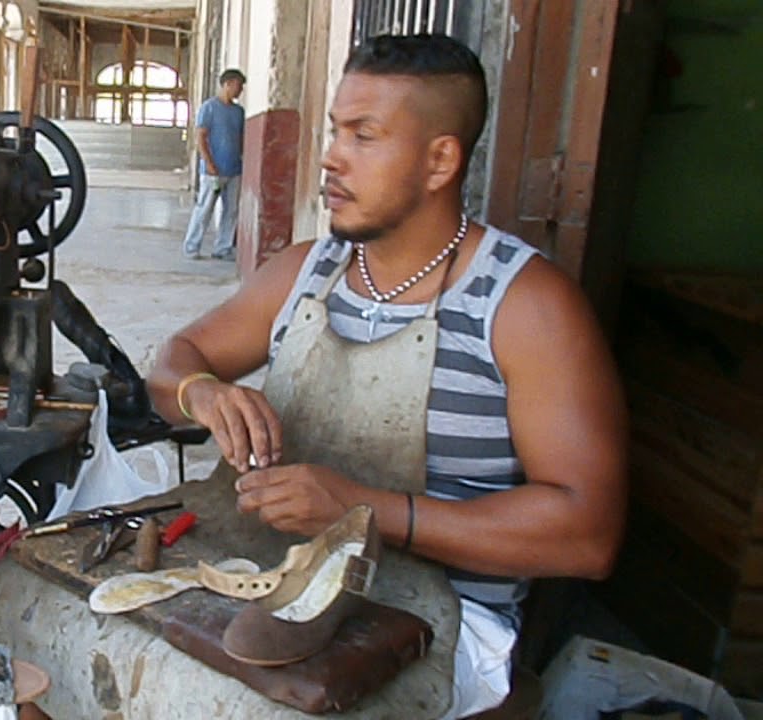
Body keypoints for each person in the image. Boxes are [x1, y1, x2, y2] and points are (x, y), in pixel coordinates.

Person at [149, 35, 626, 718]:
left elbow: (588, 534)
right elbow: (174, 359)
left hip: (442, 622)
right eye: (336, 130)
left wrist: (364, 511)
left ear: (440, 160)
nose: (330, 157)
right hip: (278, 580)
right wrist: (203, 393)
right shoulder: (307, 269)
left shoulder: (525, 307)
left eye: (364, 136)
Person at [182, 69, 246, 261]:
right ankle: (192, 246)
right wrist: (208, 162)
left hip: (234, 169)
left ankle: (223, 248)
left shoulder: (238, 112)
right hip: (213, 171)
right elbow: (201, 136)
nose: (240, 90)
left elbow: (240, 138)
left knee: (231, 211)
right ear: (227, 84)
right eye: (238, 85)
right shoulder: (209, 108)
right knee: (205, 208)